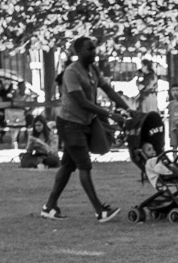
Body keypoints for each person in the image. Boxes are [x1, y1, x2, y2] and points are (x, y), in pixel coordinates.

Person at [41, 36, 123, 222]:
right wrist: (110, 114)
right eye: (89, 49)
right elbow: (82, 102)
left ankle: (49, 206)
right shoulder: (71, 73)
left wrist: (127, 109)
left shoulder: (93, 69)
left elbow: (108, 90)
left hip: (85, 124)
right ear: (78, 52)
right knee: (84, 166)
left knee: (68, 165)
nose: (94, 52)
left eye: (94, 48)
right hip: (70, 125)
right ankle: (99, 211)